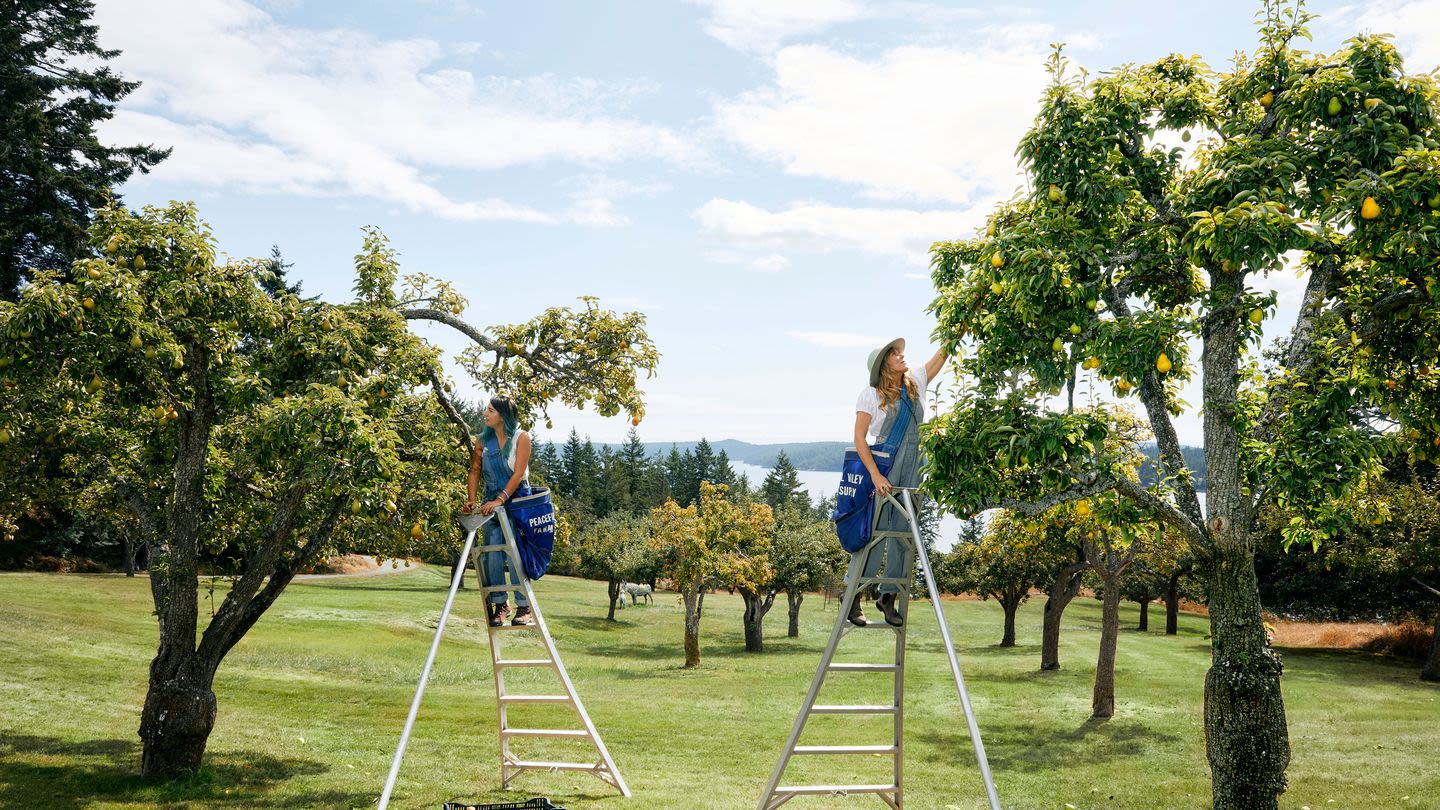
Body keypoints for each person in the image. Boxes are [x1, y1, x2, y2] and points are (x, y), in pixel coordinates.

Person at [847, 338, 947, 627]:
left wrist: (959, 327)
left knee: (904, 534)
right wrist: (876, 476)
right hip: (884, 466)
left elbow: (941, 356)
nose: (901, 355)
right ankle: (854, 594)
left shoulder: (914, 381)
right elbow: (859, 438)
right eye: (894, 354)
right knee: (874, 532)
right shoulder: (869, 394)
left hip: (914, 466)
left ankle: (888, 596)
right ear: (883, 365)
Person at [465, 396, 534, 627]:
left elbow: (518, 473)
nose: (485, 413)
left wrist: (500, 499)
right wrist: (472, 500)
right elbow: (475, 471)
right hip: (490, 503)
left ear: (503, 416)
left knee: (514, 552)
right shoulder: (482, 442)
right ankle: (500, 604)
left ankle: (524, 605)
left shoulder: (521, 438)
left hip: (516, 501)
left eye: (490, 410)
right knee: (492, 552)